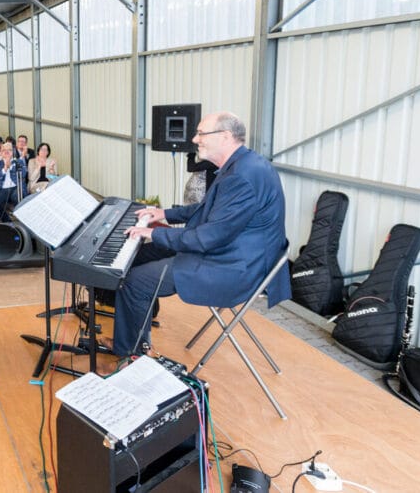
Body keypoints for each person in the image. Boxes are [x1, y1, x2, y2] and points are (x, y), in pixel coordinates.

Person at [110, 112, 289, 356]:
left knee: (135, 282)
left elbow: (207, 238)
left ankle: (131, 355)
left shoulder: (242, 176)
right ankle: (137, 337)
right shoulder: (241, 164)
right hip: (231, 251)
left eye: (201, 133)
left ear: (225, 137)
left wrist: (153, 233)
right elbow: (208, 209)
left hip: (232, 266)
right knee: (140, 255)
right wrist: (163, 214)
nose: (195, 139)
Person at [0, 142, 26, 220]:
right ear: (1, 152)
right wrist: (4, 169)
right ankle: (7, 221)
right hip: (3, 189)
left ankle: (22, 219)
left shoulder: (19, 162)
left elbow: (23, 174)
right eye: (4, 150)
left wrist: (11, 167)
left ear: (13, 152)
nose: (6, 151)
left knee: (16, 197)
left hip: (16, 187)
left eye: (9, 150)